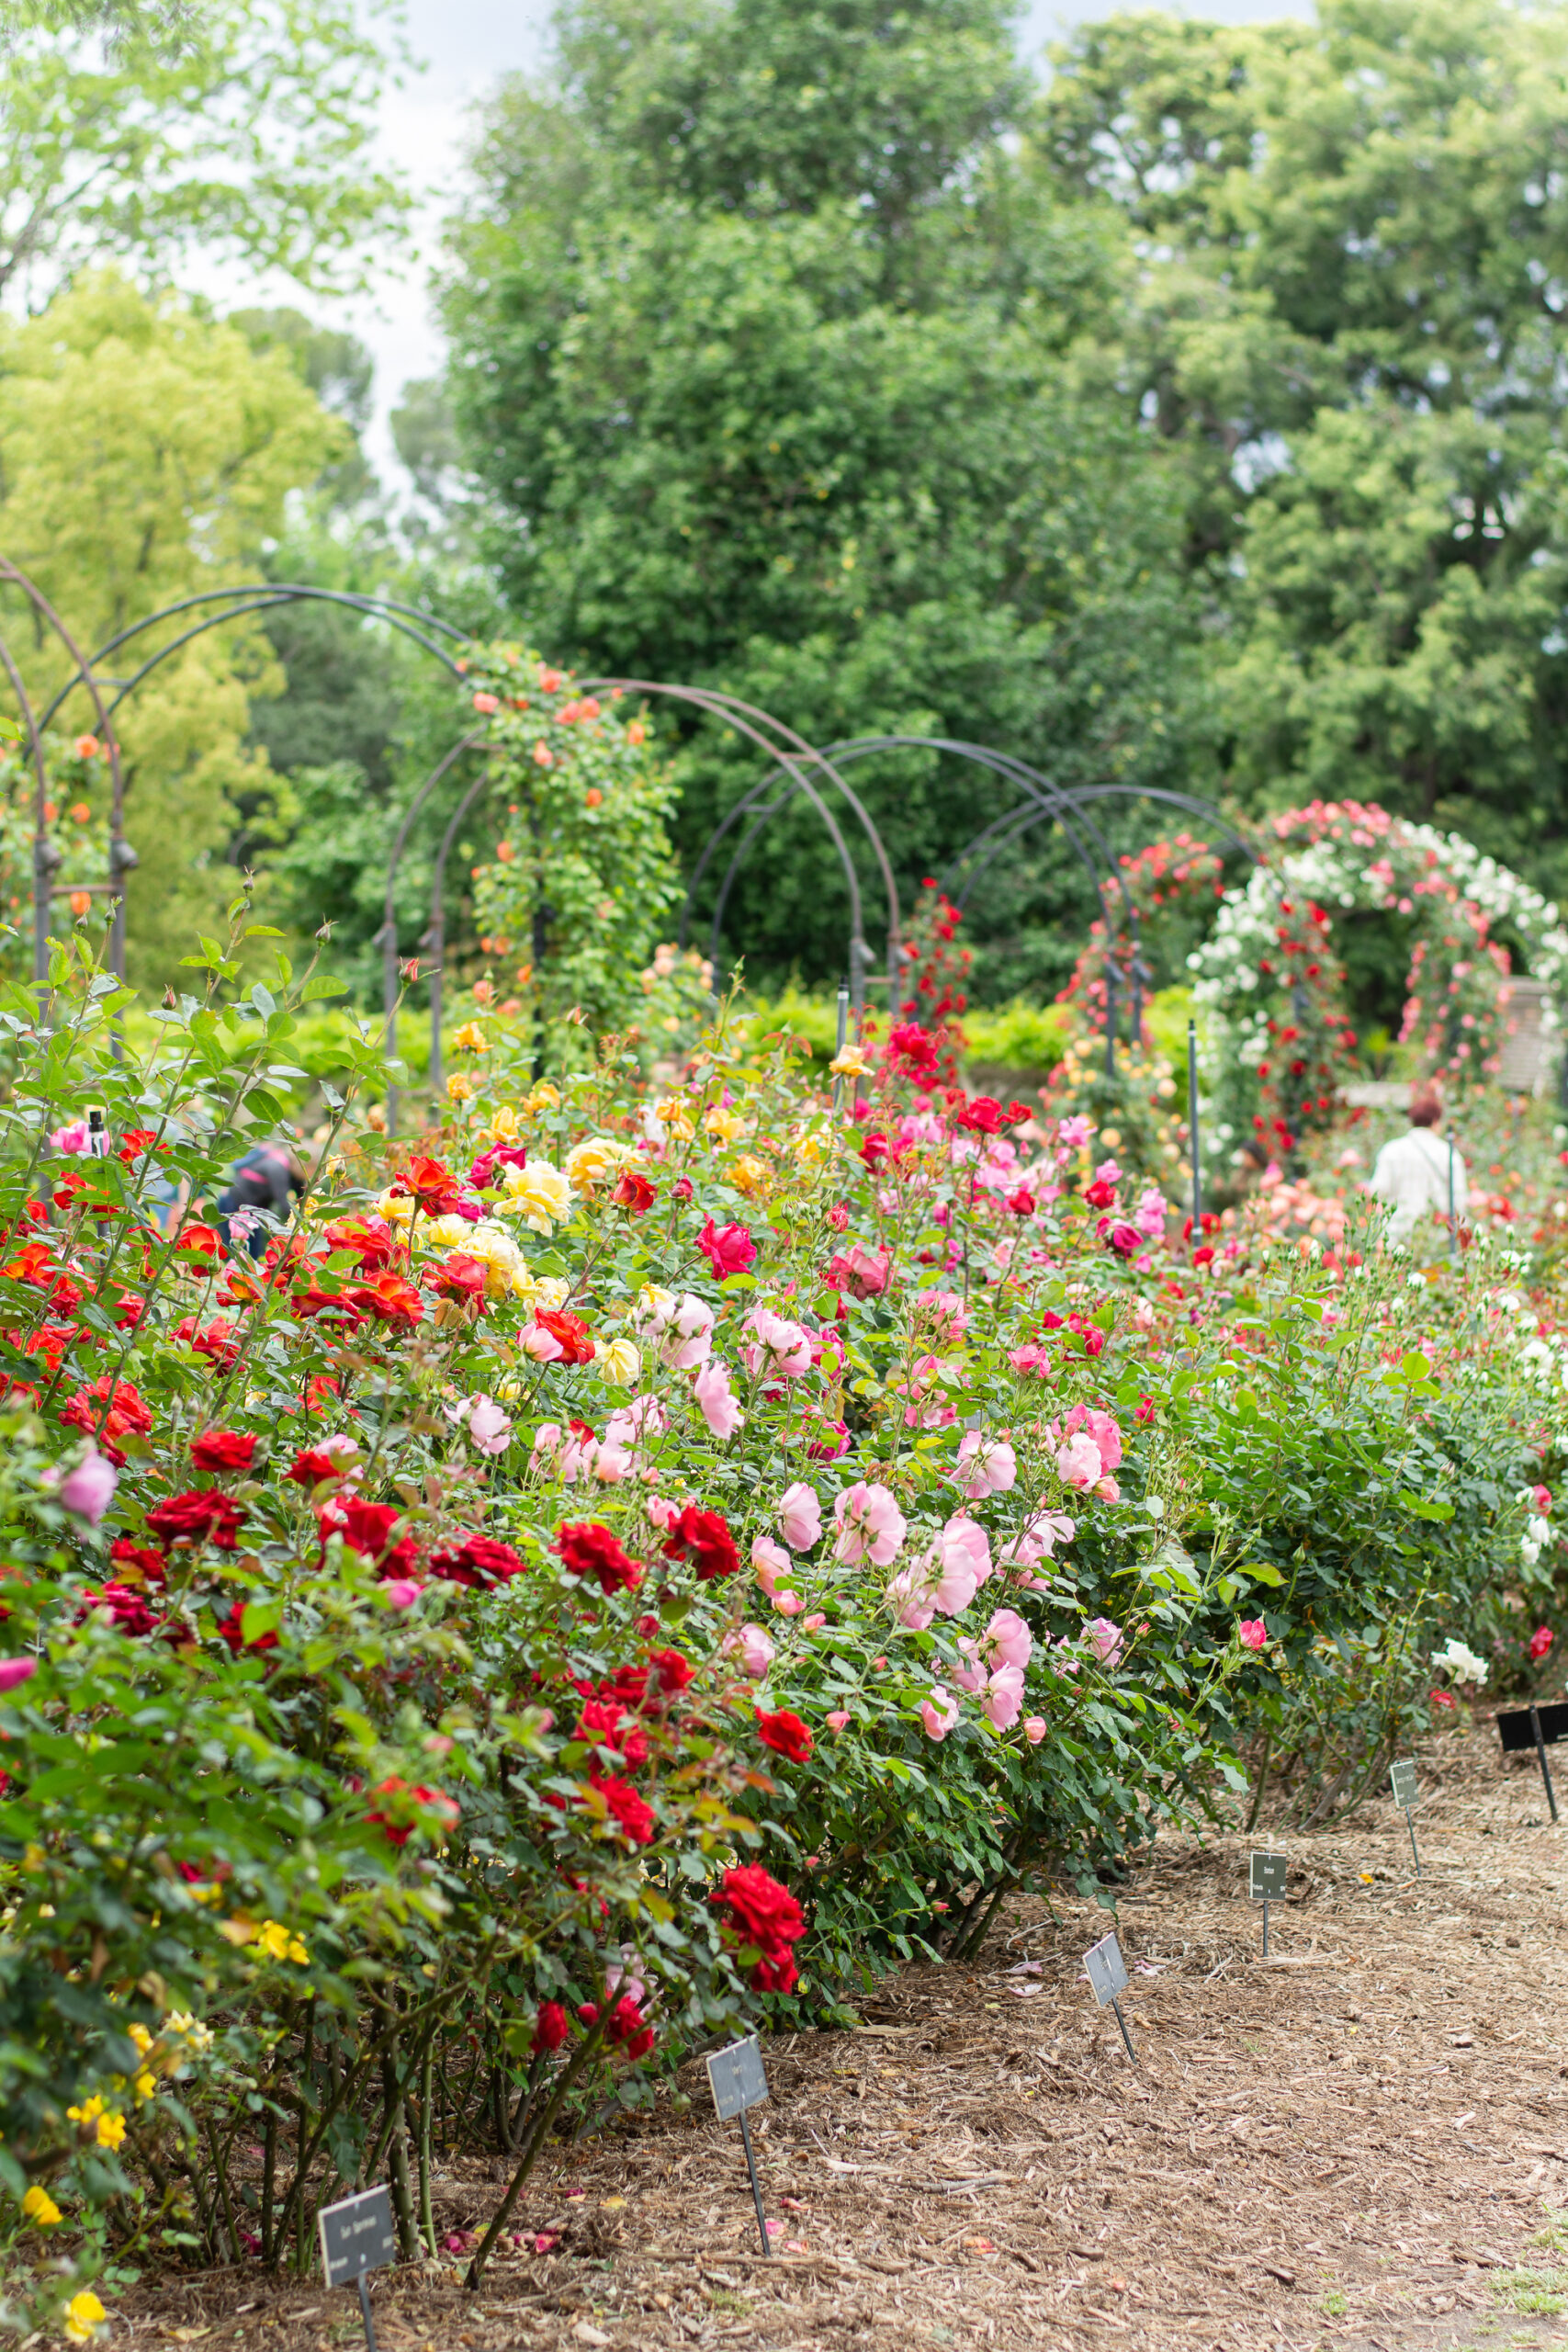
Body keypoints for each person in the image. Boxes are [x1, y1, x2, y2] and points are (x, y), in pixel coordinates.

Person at [1368, 1088, 1468, 1249]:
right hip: (1435, 1237)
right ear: (1436, 1121)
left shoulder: (1391, 1150)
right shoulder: (1449, 1153)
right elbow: (1459, 1199)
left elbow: (1377, 1192)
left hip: (1396, 1234)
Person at [216, 1138, 307, 1258]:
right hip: (233, 1204)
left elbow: (300, 1200)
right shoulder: (276, 1168)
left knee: (253, 1255)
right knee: (235, 1254)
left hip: (253, 1212)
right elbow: (284, 1204)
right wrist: (303, 1222)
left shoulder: (292, 1173)